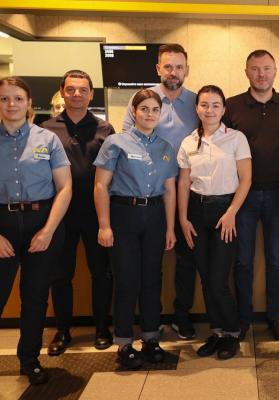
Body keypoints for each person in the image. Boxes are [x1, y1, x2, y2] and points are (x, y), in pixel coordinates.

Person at [94, 89, 178, 369]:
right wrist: (104, 225)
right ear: (134, 111)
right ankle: (124, 342)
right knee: (127, 280)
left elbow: (169, 190)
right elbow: (101, 185)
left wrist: (170, 228)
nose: (149, 114)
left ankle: (151, 338)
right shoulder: (115, 142)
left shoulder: (166, 147)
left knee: (152, 280)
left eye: (155, 110)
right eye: (144, 109)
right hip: (123, 215)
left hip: (154, 216)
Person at [224, 49, 279, 342]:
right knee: (243, 262)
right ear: (246, 72)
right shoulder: (231, 106)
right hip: (242, 196)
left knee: (276, 262)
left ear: (275, 71)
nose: (261, 74)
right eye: (255, 69)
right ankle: (243, 318)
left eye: (266, 68)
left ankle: (275, 317)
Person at [123, 43, 199, 340]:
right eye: (168, 66)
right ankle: (149, 322)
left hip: (190, 193)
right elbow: (128, 141)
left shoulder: (196, 102)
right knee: (149, 264)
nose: (173, 72)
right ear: (158, 69)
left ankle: (182, 316)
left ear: (187, 70)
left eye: (179, 67)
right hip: (152, 195)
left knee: (186, 259)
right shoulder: (143, 100)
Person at [0, 76, 72, 384]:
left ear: (29, 103)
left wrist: (48, 231)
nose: (11, 104)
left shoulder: (47, 139)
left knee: (35, 297)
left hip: (42, 222)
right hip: (2, 225)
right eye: (4, 98)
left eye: (18, 98)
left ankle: (29, 359)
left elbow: (65, 187)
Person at [42, 70, 115, 356]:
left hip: (96, 211)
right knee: (60, 274)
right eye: (71, 89)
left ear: (91, 94)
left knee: (101, 272)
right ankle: (63, 331)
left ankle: (102, 328)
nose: (76, 95)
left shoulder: (104, 129)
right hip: (60, 212)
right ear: (62, 91)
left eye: (83, 90)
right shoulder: (46, 129)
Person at [177, 85, 251, 359]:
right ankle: (217, 332)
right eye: (204, 105)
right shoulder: (188, 142)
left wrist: (231, 212)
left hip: (225, 212)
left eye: (216, 105)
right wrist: (183, 218)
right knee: (206, 278)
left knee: (219, 279)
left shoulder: (236, 138)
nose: (210, 110)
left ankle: (232, 332)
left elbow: (246, 179)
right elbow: (183, 183)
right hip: (196, 211)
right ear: (197, 108)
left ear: (223, 109)